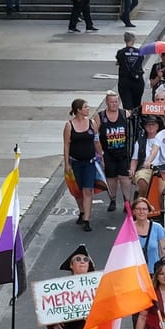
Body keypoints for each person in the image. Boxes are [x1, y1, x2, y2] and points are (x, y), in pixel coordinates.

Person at [65, 99, 102, 231]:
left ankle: (87, 219)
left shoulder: (92, 123)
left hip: (90, 162)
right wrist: (66, 164)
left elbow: (96, 141)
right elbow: (66, 145)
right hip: (76, 162)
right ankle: (81, 211)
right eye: (85, 107)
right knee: (78, 190)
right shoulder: (69, 125)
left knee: (88, 190)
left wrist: (101, 156)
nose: (88, 109)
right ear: (78, 110)